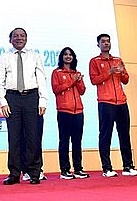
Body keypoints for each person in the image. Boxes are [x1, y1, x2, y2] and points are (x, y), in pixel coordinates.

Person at [0, 28, 47, 185]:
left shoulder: (35, 56)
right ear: (10, 39)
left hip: (32, 97)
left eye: (22, 36)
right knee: (14, 137)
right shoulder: (4, 57)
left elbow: (41, 78)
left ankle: (34, 172)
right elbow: (0, 81)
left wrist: (43, 100)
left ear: (26, 39)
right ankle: (14, 173)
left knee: (33, 137)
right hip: (12, 98)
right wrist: (2, 101)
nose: (19, 38)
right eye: (15, 36)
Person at [89, 33, 137, 177]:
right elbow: (94, 80)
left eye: (108, 41)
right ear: (98, 44)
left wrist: (122, 72)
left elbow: (126, 80)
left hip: (121, 101)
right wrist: (109, 72)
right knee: (105, 135)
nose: (106, 43)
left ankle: (128, 166)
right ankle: (106, 168)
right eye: (103, 41)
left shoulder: (118, 60)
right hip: (106, 102)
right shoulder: (94, 61)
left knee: (124, 134)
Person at [51, 47, 89, 180]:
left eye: (70, 55)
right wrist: (72, 81)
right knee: (64, 141)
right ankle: (65, 170)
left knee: (77, 141)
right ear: (61, 57)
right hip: (64, 111)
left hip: (78, 111)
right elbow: (56, 89)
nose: (68, 57)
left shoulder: (76, 72)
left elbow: (82, 90)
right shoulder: (56, 72)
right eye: (65, 54)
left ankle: (78, 169)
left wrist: (78, 80)